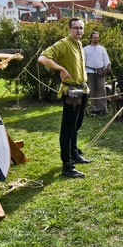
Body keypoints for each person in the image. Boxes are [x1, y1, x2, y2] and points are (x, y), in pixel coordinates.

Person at [38, 18, 92, 179]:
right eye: (75, 28)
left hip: (82, 89)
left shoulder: (79, 44)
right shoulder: (64, 43)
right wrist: (60, 68)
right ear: (69, 29)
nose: (79, 31)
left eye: (81, 28)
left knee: (77, 125)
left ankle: (74, 154)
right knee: (68, 129)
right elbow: (43, 58)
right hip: (71, 92)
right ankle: (67, 165)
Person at [84, 31, 111, 115]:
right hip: (90, 71)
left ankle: (103, 107)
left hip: (100, 71)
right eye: (95, 37)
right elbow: (83, 62)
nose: (97, 39)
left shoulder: (102, 48)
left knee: (101, 89)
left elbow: (106, 59)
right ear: (91, 38)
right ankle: (94, 107)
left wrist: (108, 66)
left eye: (97, 37)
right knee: (92, 89)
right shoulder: (85, 49)